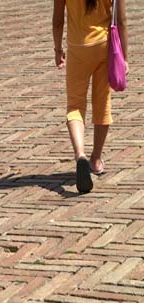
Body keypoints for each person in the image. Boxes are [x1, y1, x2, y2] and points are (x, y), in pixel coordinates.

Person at [52, 0, 129, 193]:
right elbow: (122, 21)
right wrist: (125, 57)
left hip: (77, 47)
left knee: (75, 105)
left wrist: (57, 48)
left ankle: (80, 155)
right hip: (104, 45)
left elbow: (58, 20)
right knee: (102, 103)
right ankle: (95, 160)